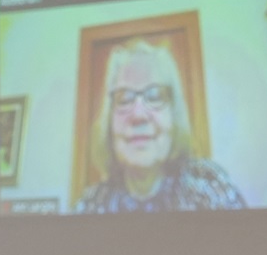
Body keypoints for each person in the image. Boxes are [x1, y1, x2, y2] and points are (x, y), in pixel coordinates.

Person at [75, 39, 245, 214]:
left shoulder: (209, 185)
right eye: (124, 98)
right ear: (108, 120)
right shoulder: (90, 204)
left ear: (174, 114)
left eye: (155, 96)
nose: (138, 115)